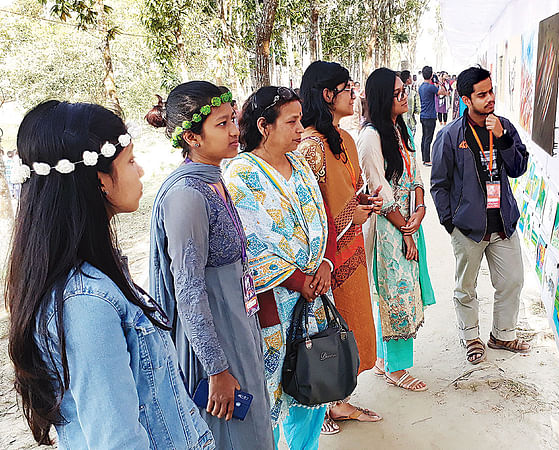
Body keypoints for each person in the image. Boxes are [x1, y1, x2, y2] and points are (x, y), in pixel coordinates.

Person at [6, 101, 213, 448]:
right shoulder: (86, 303)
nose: (141, 171)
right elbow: (116, 440)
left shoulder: (100, 276)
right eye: (130, 161)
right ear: (101, 180)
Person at [147, 81, 273, 449]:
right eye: (222, 124)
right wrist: (217, 370)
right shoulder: (187, 194)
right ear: (192, 137)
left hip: (238, 327)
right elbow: (188, 291)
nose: (235, 130)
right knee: (233, 437)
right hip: (217, 342)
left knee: (255, 429)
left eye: (233, 119)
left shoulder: (214, 179)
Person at [224, 86, 334, 449]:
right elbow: (252, 247)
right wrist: (301, 280)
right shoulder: (241, 175)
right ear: (264, 126)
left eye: (300, 119)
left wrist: (326, 265)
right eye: (292, 121)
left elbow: (323, 217)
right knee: (273, 388)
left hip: (315, 294)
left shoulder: (300, 165)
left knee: (313, 378)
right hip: (276, 304)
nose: (300, 128)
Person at [297, 60, 383, 435]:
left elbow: (350, 190)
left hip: (353, 249)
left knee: (351, 322)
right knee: (327, 328)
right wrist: (353, 214)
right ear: (327, 94)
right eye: (348, 86)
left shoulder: (345, 137)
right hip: (326, 257)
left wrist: (365, 202)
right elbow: (311, 211)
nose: (354, 93)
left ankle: (340, 400)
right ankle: (327, 404)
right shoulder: (310, 146)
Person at [430, 66, 531, 365]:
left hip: (503, 222)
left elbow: (518, 167)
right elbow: (439, 183)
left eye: (491, 91)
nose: (490, 99)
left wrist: (502, 138)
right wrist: (450, 222)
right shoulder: (449, 136)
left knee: (513, 279)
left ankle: (502, 333)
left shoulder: (504, 127)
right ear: (465, 99)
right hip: (469, 227)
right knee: (466, 286)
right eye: (482, 94)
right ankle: (471, 337)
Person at [357, 67, 436, 392]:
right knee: (396, 294)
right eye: (398, 93)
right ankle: (396, 368)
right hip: (389, 228)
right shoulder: (371, 136)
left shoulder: (400, 128)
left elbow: (415, 173)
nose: (406, 96)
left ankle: (383, 359)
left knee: (405, 289)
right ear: (381, 98)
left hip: (408, 222)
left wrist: (419, 209)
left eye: (405, 90)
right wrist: (405, 230)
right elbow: (379, 191)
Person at [418, 66, 441, 166]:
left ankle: (424, 157)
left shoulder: (421, 87)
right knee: (428, 138)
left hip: (423, 115)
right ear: (431, 75)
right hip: (430, 116)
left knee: (424, 138)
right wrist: (438, 82)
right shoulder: (431, 87)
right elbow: (442, 92)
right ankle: (427, 160)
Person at [400, 70, 420, 138]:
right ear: (408, 79)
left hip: (400, 123)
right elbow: (418, 110)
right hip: (410, 123)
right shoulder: (413, 93)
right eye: (410, 77)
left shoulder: (397, 92)